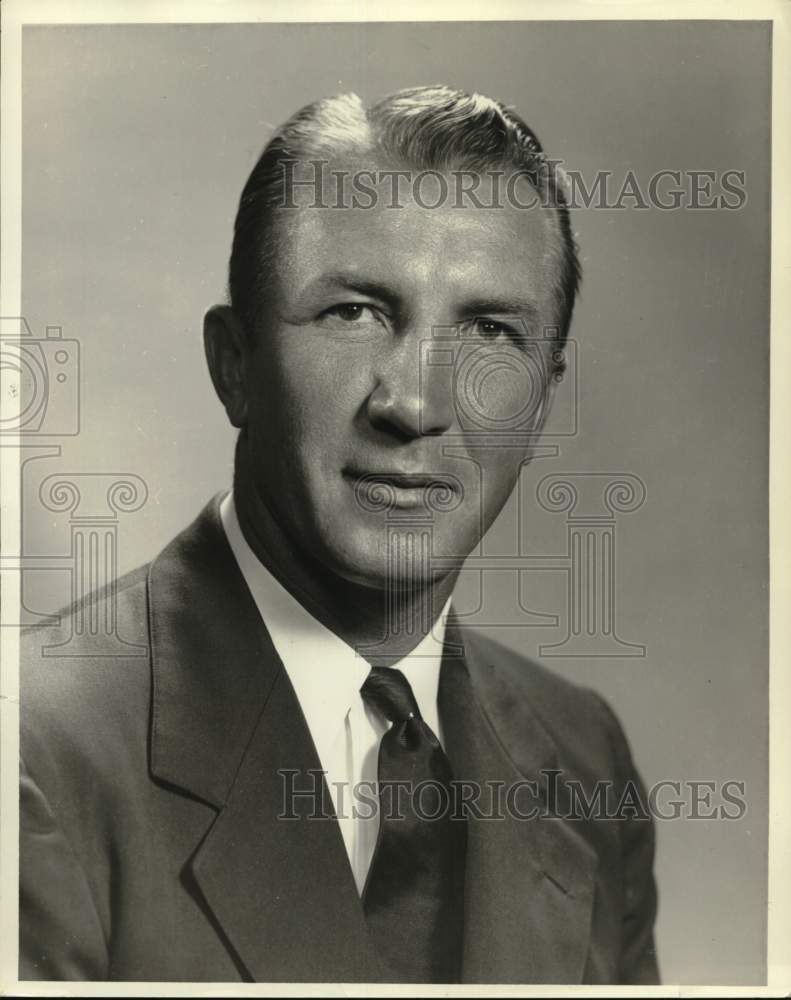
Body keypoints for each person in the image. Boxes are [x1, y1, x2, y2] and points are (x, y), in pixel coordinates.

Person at [19, 86, 659, 984]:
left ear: (542, 402)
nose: (417, 406)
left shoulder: (583, 761)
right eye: (353, 312)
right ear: (233, 366)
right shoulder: (35, 753)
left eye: (487, 331)